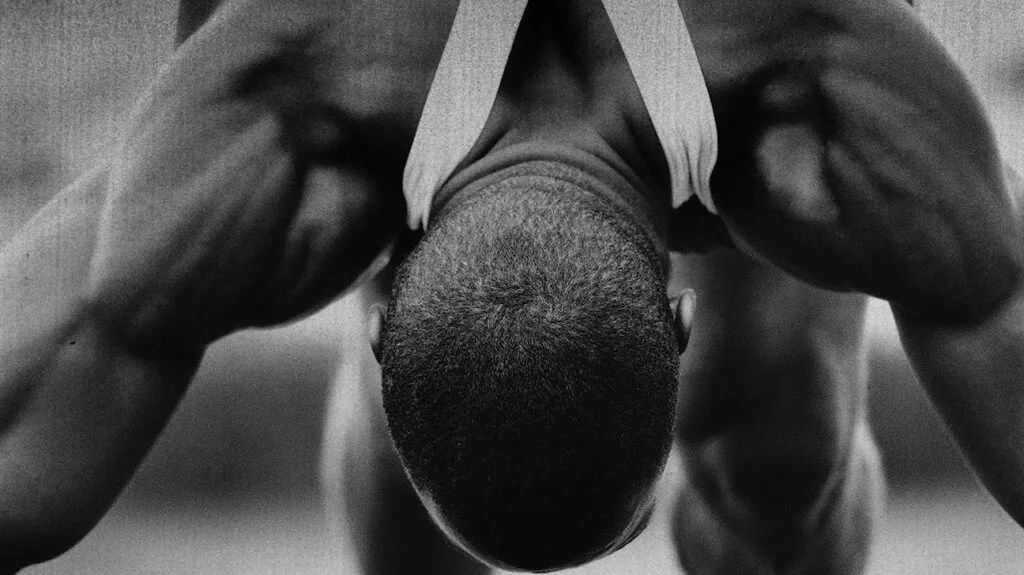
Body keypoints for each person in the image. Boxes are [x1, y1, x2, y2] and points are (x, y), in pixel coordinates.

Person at [0, 1, 1021, 574]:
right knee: (455, 428)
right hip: (383, 91)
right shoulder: (280, 107)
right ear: (677, 317)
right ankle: (437, 335)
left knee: (777, 446)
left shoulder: (815, 68)